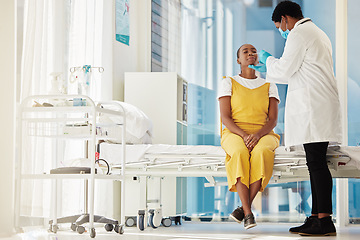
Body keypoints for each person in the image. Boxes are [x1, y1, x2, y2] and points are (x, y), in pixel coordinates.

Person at [249, 1, 342, 237]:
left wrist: (269, 61)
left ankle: (325, 221)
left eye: (279, 26)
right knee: (315, 163)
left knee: (317, 164)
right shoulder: (316, 32)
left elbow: (284, 70)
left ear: (286, 19)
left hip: (314, 106)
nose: (281, 31)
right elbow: (298, 72)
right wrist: (273, 64)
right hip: (318, 103)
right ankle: (315, 217)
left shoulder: (299, 33)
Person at [218, 44, 280, 230]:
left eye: (253, 51)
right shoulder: (228, 82)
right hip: (235, 131)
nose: (251, 53)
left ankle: (245, 210)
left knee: (262, 152)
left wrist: (257, 135)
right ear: (238, 60)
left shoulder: (269, 84)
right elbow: (225, 118)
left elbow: (273, 119)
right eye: (245, 51)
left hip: (264, 132)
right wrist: (245, 136)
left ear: (258, 58)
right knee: (238, 152)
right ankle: (248, 212)